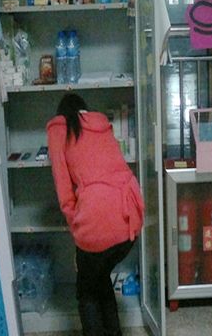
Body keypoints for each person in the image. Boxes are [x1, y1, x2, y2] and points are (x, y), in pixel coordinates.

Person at [46, 93, 144, 336]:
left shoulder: (60, 130)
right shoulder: (101, 125)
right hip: (129, 220)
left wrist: (77, 230)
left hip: (96, 224)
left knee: (86, 291)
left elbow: (64, 192)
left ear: (63, 113)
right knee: (100, 278)